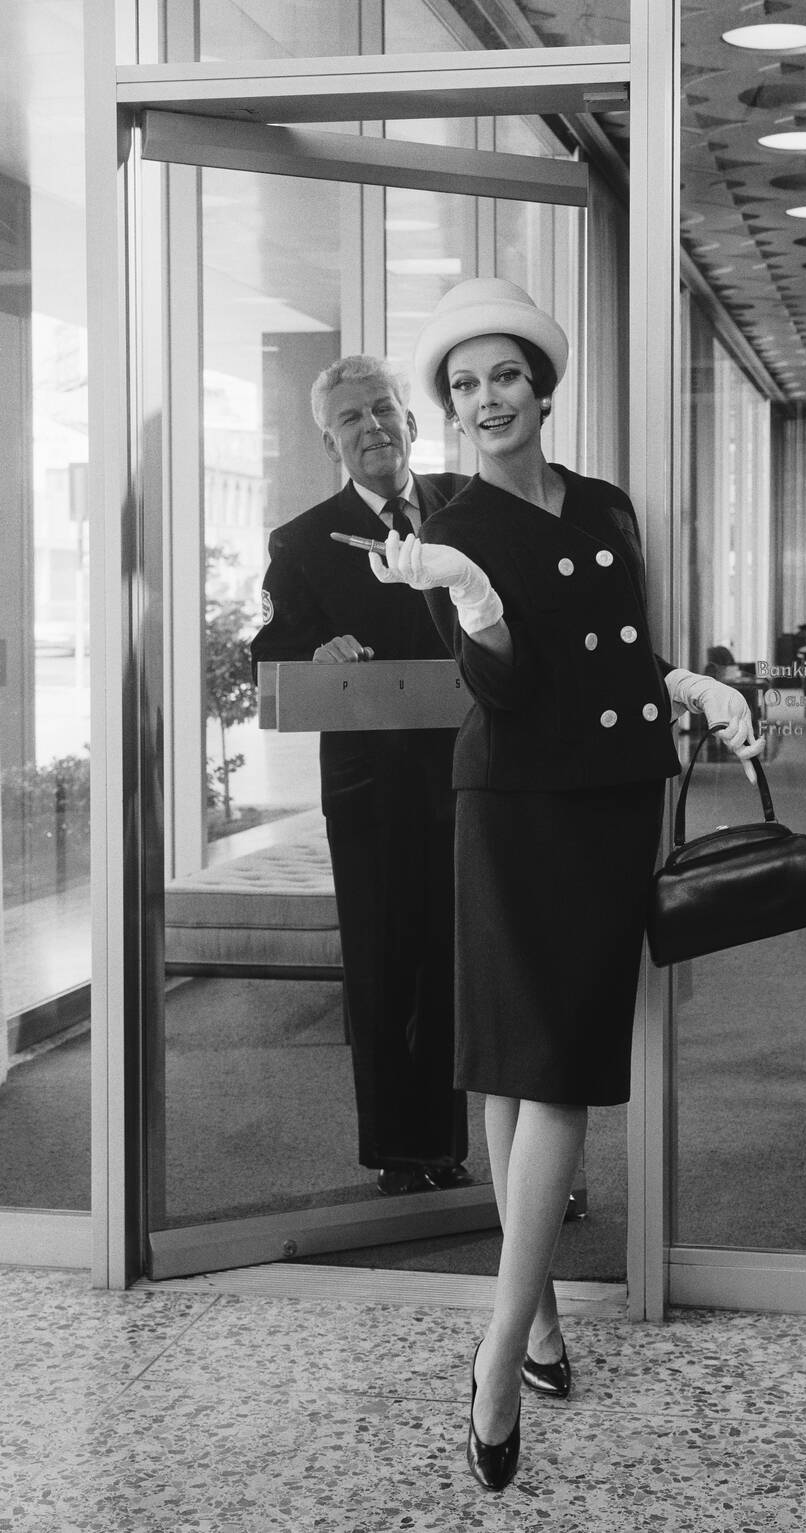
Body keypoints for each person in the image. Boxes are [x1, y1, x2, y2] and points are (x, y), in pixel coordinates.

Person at [365, 278, 763, 1492]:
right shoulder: (446, 521)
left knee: (551, 1066)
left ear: (543, 386)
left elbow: (620, 642)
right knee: (520, 1066)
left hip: (607, 805)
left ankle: (527, 1319)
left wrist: (686, 685)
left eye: (506, 377)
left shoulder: (604, 504)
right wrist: (469, 599)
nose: (487, 400)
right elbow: (502, 686)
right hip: (511, 803)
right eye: (465, 385)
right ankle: (504, 1348)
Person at [248, 355, 471, 1196]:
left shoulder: (470, 506)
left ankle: (451, 1147)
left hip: (477, 774)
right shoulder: (302, 541)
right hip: (373, 790)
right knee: (385, 965)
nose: (372, 427)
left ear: (411, 420)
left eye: (383, 410)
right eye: (351, 419)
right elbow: (267, 650)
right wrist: (317, 648)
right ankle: (398, 1150)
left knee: (461, 962)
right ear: (330, 441)